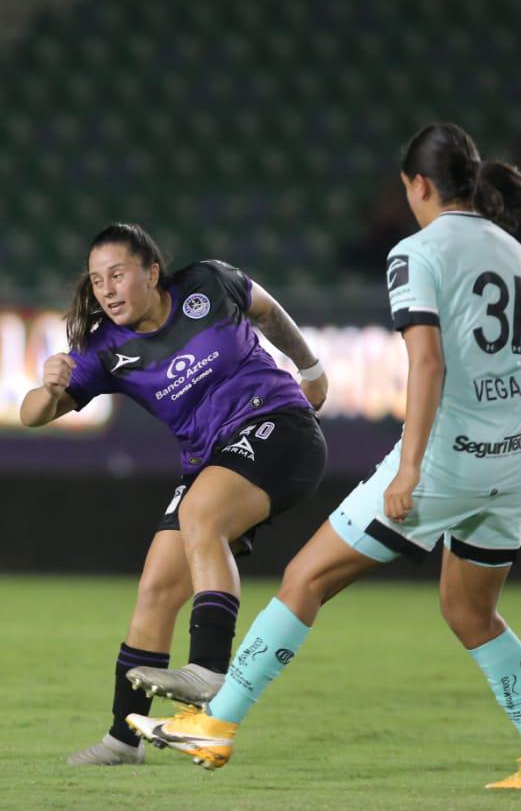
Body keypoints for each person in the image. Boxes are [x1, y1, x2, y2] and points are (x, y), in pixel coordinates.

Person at [130, 124, 521, 791]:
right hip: (515, 459)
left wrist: (410, 468)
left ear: (418, 185)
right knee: (470, 613)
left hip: (444, 459)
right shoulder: (516, 252)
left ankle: (217, 723)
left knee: (305, 580)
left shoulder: (416, 252)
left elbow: (426, 359)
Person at [19, 223, 329, 766]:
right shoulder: (104, 350)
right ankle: (123, 739)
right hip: (211, 460)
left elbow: (267, 310)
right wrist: (47, 390)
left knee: (200, 515)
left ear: (152, 272)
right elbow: (30, 417)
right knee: (157, 586)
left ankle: (209, 666)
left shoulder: (209, 283)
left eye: (117, 274)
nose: (107, 290)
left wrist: (312, 368)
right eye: (96, 281)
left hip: (281, 426)